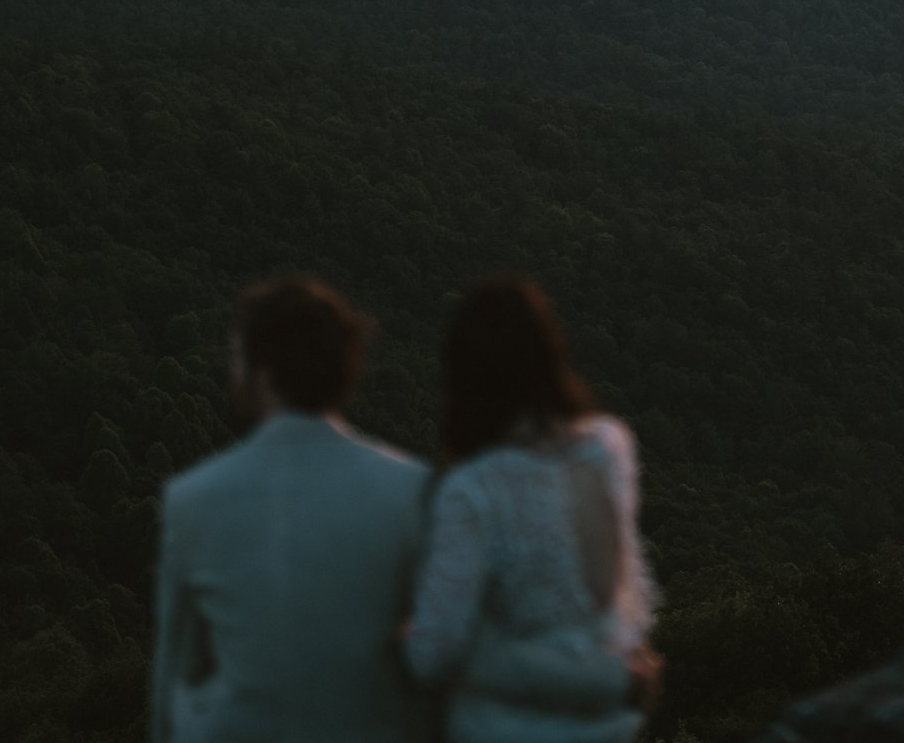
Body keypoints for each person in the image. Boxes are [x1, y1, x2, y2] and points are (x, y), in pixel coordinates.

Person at [150, 277, 628, 743]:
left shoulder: (191, 497)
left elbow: (174, 672)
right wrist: (605, 675)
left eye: (238, 360)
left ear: (264, 375)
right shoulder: (410, 487)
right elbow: (447, 654)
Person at [405, 278, 659, 743]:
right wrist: (614, 676)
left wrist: (400, 638)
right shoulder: (609, 447)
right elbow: (621, 608)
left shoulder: (473, 488)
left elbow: (435, 656)